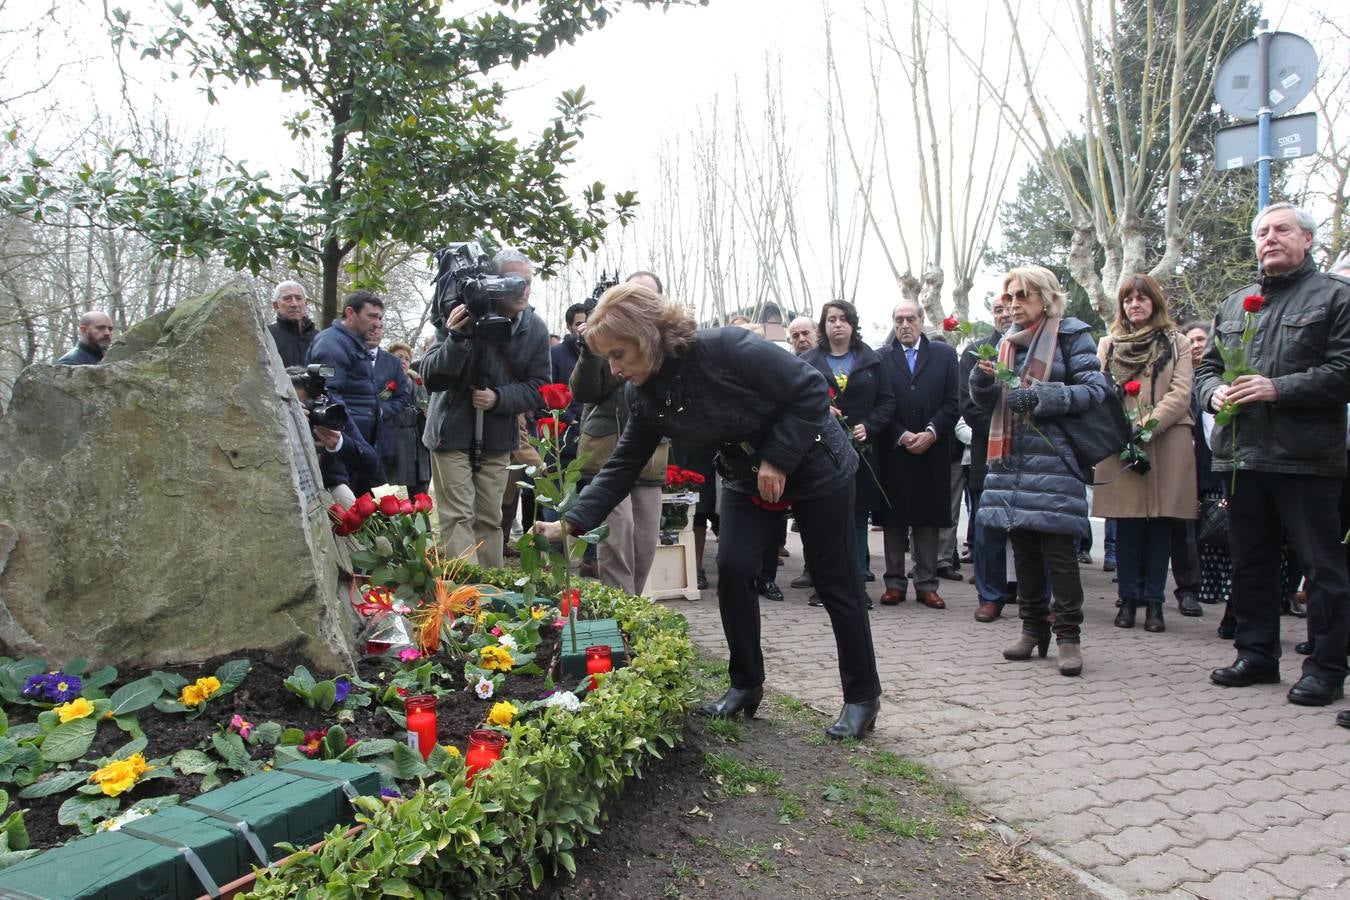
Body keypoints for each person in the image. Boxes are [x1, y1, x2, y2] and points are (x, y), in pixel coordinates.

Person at [534, 284, 882, 739]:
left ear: (647, 336)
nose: (614, 369)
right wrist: (573, 521)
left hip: (815, 461)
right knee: (734, 569)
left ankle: (861, 697)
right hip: (743, 474)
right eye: (608, 360)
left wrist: (778, 457)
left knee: (835, 580)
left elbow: (812, 390)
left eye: (618, 354)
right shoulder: (645, 396)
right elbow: (622, 465)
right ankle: (745, 685)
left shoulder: (727, 348)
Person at [1195, 202, 1350, 708]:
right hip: (1243, 457)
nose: (1270, 238)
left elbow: (1344, 369)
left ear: (1307, 239)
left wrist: (1278, 388)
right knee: (1251, 563)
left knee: (1321, 568)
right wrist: (1212, 392)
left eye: (1282, 229)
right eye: (1262, 232)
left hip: (1306, 457)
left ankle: (1326, 669)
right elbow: (1206, 369)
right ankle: (1256, 654)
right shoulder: (1236, 303)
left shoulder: (1334, 297)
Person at [971, 266, 1108, 676]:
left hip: (1054, 460)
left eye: (1023, 296)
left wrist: (1041, 397)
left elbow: (1095, 389)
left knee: (1059, 553)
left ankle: (1068, 636)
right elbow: (986, 402)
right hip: (1010, 460)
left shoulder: (1071, 335)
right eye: (1009, 296)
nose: (1013, 304)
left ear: (1046, 298)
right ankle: (1033, 630)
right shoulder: (1003, 343)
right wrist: (981, 380)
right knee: (1024, 549)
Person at [421, 248, 550, 568]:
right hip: (451, 431)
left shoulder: (534, 327)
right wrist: (455, 338)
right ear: (494, 281)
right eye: (515, 281)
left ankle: (492, 594)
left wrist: (499, 398)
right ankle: (465, 598)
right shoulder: (460, 312)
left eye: (529, 282)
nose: (524, 289)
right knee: (458, 517)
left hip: (497, 435)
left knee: (490, 518)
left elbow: (539, 387)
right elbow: (432, 378)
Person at [1092, 275, 1197, 634]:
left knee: (1162, 524)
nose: (1134, 305)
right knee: (1129, 522)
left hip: (1166, 440)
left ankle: (1155, 602)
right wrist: (1124, 427)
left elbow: (1182, 393)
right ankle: (1128, 599)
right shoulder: (1108, 344)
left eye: (1141, 298)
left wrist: (1149, 423)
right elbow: (1099, 390)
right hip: (1121, 440)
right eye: (1128, 300)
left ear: (1155, 302)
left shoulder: (1177, 342)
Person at [569, 272, 669, 596]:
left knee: (644, 546)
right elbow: (584, 391)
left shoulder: (667, 342)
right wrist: (591, 350)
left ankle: (631, 610)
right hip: (606, 453)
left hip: (650, 459)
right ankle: (620, 617)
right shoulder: (605, 336)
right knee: (616, 540)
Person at [801, 300, 895, 606]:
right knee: (823, 519)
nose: (837, 324)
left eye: (843, 319)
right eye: (831, 319)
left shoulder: (872, 360)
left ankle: (856, 585)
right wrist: (819, 407)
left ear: (853, 324)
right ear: (823, 325)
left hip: (861, 452)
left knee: (856, 518)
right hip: (819, 451)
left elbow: (887, 402)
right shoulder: (808, 360)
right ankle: (824, 586)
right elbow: (793, 398)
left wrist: (869, 426)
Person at [877, 299, 959, 610]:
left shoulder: (944, 355)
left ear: (922, 321)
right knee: (894, 519)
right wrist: (900, 433)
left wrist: (931, 432)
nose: (904, 325)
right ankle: (894, 583)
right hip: (895, 450)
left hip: (933, 450)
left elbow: (953, 402)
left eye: (910, 319)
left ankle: (927, 584)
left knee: (927, 519)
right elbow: (879, 404)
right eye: (899, 320)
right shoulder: (881, 358)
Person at [961, 297, 1015, 622]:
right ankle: (990, 595)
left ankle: (1034, 594)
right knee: (988, 530)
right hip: (989, 453)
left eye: (1010, 308)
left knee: (1031, 529)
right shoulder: (975, 352)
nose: (1005, 314)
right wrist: (1002, 429)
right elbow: (967, 405)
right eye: (998, 310)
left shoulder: (1037, 349)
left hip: (1031, 454)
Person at [287, 366, 380, 507]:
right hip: (281, 481)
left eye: (308, 404)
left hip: (328, 481)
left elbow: (371, 463)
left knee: (353, 514)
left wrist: (339, 443)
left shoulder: (330, 407)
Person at [307, 291, 385, 448]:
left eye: (380, 318)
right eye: (371, 316)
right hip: (343, 444)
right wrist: (357, 446)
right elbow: (330, 395)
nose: (377, 323)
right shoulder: (331, 344)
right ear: (350, 313)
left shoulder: (353, 344)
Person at [385, 341, 432, 498]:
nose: (403, 361)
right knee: (385, 493)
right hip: (392, 443)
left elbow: (424, 407)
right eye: (399, 357)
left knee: (419, 495)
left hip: (415, 444)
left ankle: (419, 520)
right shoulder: (382, 383)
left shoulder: (417, 383)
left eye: (406, 358)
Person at [267, 280, 317, 368]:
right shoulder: (267, 337)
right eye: (287, 299)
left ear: (305, 304)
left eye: (298, 298)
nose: (294, 304)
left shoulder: (319, 338)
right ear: (276, 305)